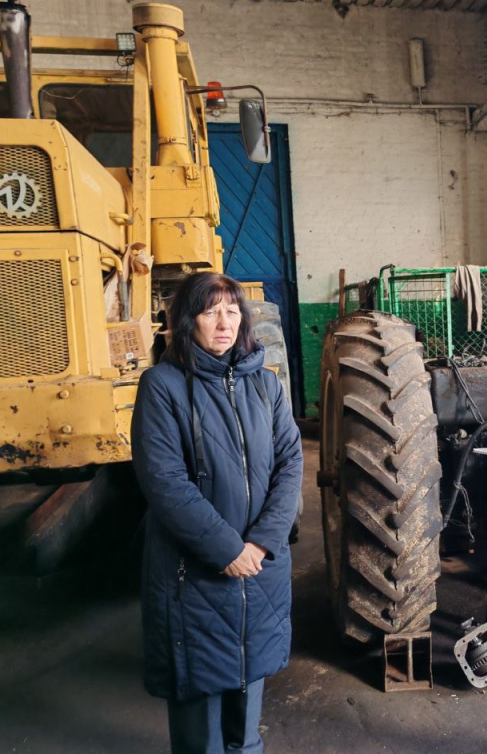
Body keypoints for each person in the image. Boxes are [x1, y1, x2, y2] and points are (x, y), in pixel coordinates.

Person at [132, 272, 303, 754]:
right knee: (200, 706)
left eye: (232, 311)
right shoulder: (162, 386)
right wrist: (228, 550)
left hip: (259, 568)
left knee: (248, 693)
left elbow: (291, 462)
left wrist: (262, 542)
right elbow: (164, 481)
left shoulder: (265, 385)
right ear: (188, 321)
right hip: (195, 575)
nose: (224, 323)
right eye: (210, 312)